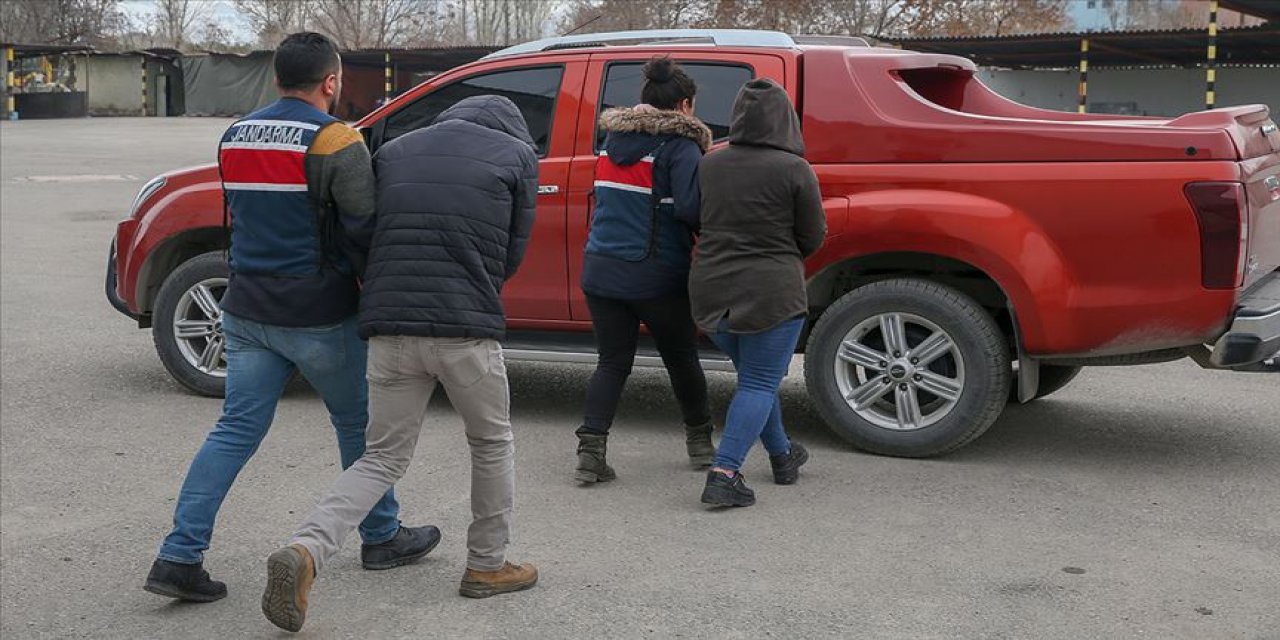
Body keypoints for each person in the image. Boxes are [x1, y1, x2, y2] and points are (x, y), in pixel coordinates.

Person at [143, 32, 438, 603]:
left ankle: (179, 555)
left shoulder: (236, 133)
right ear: (330, 82)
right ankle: (381, 537)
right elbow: (362, 228)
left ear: (276, 78)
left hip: (246, 309)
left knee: (232, 432)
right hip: (318, 315)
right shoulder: (335, 140)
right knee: (360, 430)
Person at [261, 94, 540, 632]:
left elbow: (361, 230)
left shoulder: (394, 149)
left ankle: (307, 548)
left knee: (381, 457)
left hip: (388, 324)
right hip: (465, 328)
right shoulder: (516, 156)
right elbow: (513, 250)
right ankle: (486, 565)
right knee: (491, 443)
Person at [575, 56, 716, 484]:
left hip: (601, 270)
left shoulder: (610, 142)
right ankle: (701, 445)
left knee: (612, 362)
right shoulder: (681, 146)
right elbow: (691, 209)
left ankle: (590, 454)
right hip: (656, 274)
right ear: (685, 105)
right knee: (681, 357)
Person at [690, 78, 827, 507]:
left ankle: (783, 456)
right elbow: (813, 234)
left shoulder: (709, 163)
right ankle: (724, 473)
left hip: (712, 290)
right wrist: (783, 256)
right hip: (771, 291)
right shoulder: (793, 169)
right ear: (785, 119)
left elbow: (697, 216)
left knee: (756, 382)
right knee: (760, 382)